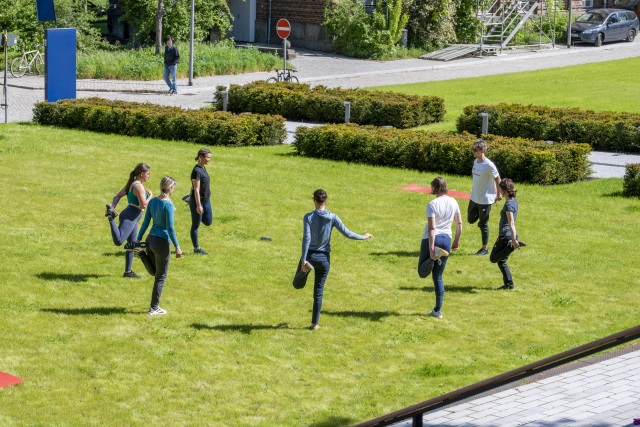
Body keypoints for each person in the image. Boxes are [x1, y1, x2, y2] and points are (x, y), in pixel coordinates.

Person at [293, 189, 372, 330]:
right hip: (324, 259)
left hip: (310, 256)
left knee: (297, 284)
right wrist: (363, 237)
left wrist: (303, 260)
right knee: (318, 292)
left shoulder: (308, 217)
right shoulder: (333, 217)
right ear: (326, 201)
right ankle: (314, 324)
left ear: (314, 201)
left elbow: (306, 239)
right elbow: (347, 233)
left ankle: (305, 272)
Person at [418, 177, 462, 319]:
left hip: (433, 239)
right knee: (438, 276)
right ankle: (438, 310)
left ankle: (433, 256)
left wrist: (431, 247)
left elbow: (432, 227)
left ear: (434, 188)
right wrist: (456, 241)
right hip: (446, 240)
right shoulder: (453, 201)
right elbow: (459, 223)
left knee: (422, 272)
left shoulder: (432, 204)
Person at [136, 177, 182, 315]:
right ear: (169, 188)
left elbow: (145, 223)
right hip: (162, 243)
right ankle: (153, 307)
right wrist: (177, 246)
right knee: (160, 277)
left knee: (155, 272)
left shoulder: (153, 201)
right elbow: (170, 228)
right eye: (173, 187)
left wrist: (138, 240)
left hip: (150, 240)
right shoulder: (167, 205)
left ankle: (141, 254)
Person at [104, 163, 152, 279]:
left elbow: (117, 195)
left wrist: (113, 205)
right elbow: (143, 205)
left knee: (132, 245)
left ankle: (128, 272)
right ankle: (111, 217)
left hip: (132, 217)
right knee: (119, 241)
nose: (149, 176)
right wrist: (151, 196)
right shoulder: (139, 186)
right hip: (131, 216)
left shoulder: (132, 183)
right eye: (147, 174)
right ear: (141, 174)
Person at [490, 179, 526, 290]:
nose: (499, 191)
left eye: (500, 189)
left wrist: (514, 240)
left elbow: (511, 223)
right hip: (509, 235)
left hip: (506, 236)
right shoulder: (514, 201)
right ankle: (509, 285)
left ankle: (511, 246)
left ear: (504, 190)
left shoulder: (509, 205)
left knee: (493, 258)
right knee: (502, 261)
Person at [468, 139, 501, 256]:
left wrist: (498, 194)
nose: (473, 151)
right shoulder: (475, 162)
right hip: (474, 197)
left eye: (475, 150)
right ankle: (482, 216)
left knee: (483, 224)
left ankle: (484, 249)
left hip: (485, 199)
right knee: (470, 219)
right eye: (473, 149)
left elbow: (498, 179)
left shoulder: (489, 165)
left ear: (482, 151)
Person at [189, 148, 212, 255]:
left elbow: (193, 186)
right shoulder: (196, 171)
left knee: (208, 222)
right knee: (195, 225)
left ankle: (197, 213)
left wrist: (190, 191)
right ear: (201, 157)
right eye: (207, 157)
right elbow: (196, 189)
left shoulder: (203, 168)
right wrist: (198, 205)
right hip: (198, 202)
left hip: (206, 200)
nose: (209, 160)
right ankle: (196, 248)